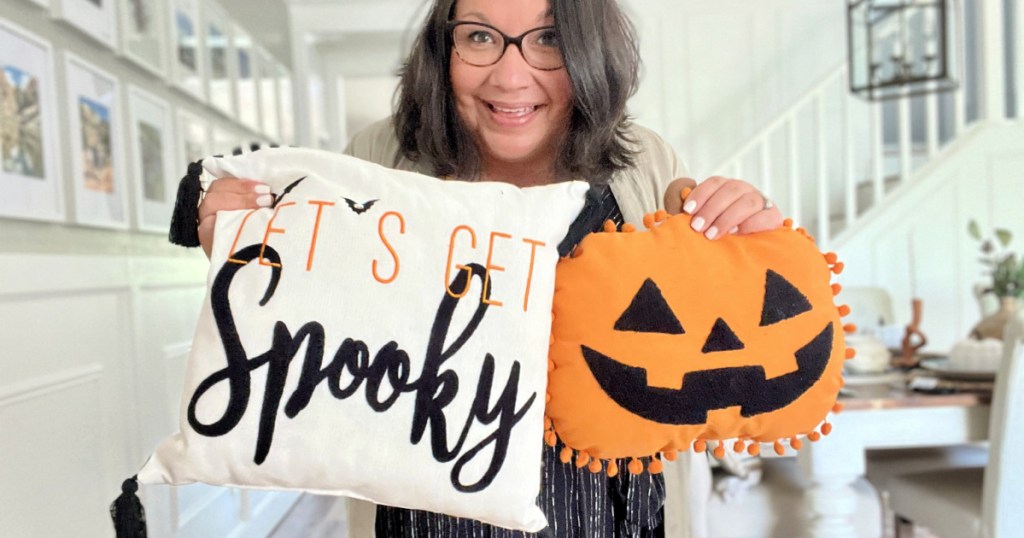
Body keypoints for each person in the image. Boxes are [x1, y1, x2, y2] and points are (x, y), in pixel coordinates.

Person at [196, 0, 783, 535]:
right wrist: (239, 238)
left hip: (615, 516)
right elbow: (310, 313)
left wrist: (741, 229)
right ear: (444, 48)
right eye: (479, 37)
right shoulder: (379, 157)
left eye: (549, 38)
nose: (510, 75)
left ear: (589, 48)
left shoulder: (645, 160)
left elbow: (706, 337)